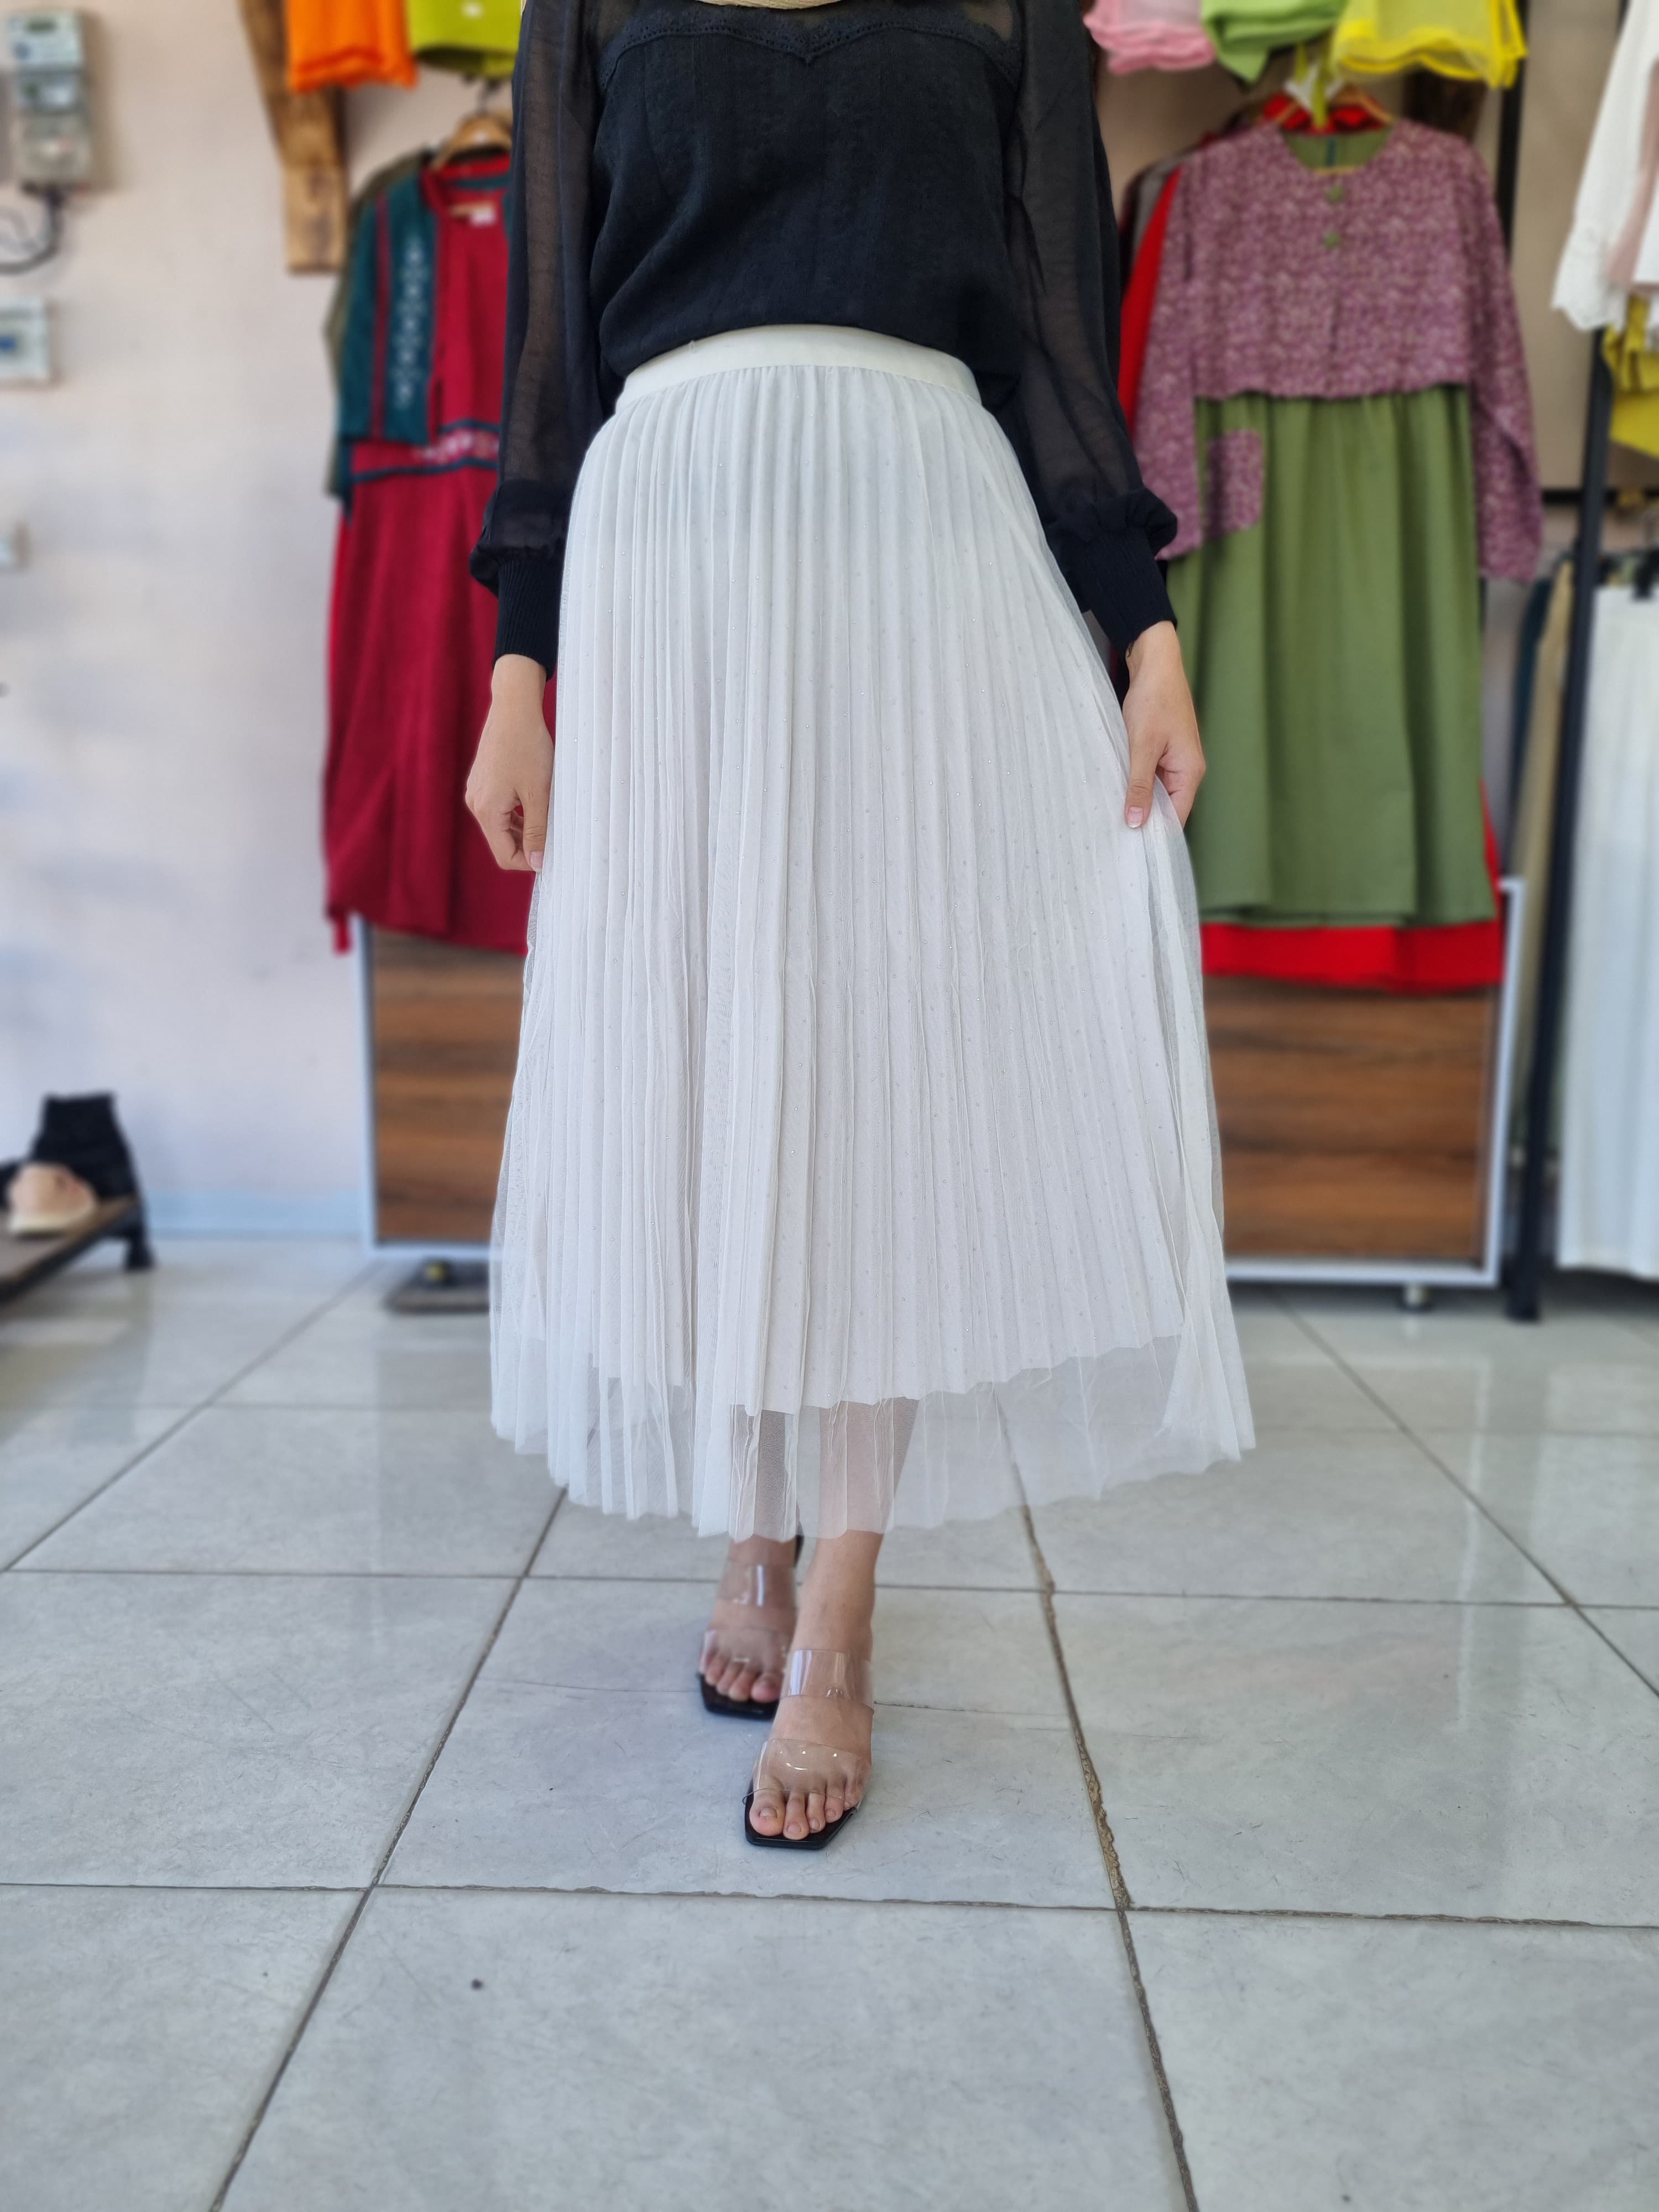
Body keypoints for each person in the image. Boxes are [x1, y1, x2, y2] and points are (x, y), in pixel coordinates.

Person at [465, 0, 1253, 1851]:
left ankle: (840, 1602)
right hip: (673, 541)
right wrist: (517, 669)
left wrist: (1142, 631)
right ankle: (752, 1524)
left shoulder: (1006, 5)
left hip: (924, 530)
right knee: (712, 1045)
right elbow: (551, 351)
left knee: (887, 1065)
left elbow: (1054, 334)